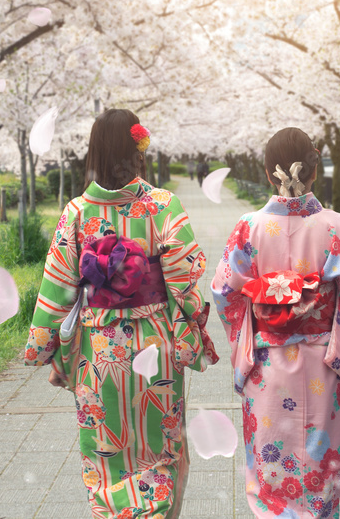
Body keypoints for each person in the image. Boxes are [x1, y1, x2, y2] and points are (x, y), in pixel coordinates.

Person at [24, 108, 218, 519]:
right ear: (138, 150)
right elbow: (184, 284)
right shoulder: (164, 206)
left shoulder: (76, 213)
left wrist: (46, 351)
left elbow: (56, 292)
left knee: (106, 455)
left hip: (98, 352)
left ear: (95, 151)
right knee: (160, 452)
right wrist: (194, 333)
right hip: (156, 348)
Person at [211, 127, 340, 519]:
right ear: (315, 170)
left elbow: (223, 292)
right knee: (319, 466)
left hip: (266, 365)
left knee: (268, 464)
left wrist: (250, 331)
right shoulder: (337, 226)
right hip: (323, 360)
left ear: (269, 174)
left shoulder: (248, 227)